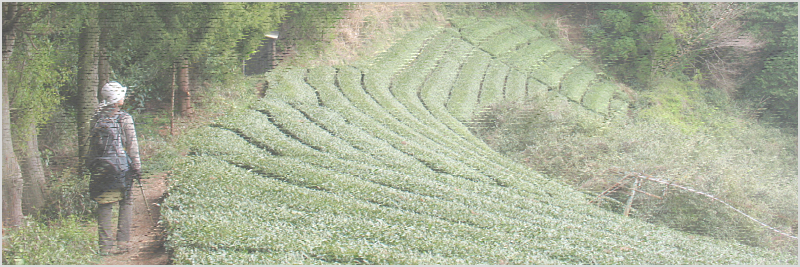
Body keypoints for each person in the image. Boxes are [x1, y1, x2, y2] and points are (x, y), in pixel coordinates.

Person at [89, 81, 142, 255]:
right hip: (120, 169)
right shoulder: (124, 118)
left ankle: (105, 247)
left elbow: (92, 146)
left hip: (101, 168)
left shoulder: (96, 118)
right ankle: (123, 243)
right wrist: (137, 167)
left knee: (104, 204)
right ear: (117, 99)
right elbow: (132, 145)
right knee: (126, 201)